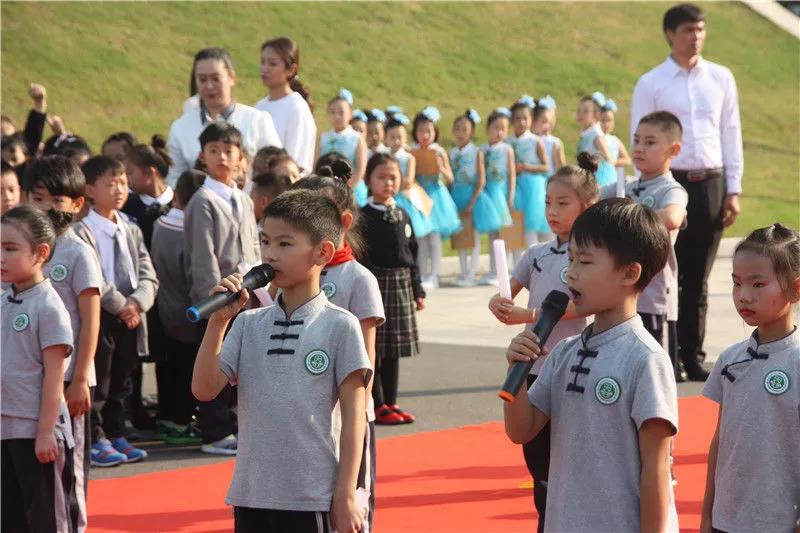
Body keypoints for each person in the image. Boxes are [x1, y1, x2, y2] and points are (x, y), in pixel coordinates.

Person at [192, 189, 372, 533]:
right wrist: (217, 323)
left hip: (311, 496)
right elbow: (203, 389)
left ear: (323, 252)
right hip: (252, 494)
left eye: (285, 244)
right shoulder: (247, 324)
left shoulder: (340, 326)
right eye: (265, 242)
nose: (270, 254)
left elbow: (354, 418)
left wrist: (346, 493)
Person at [504, 198, 679, 532]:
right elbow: (520, 430)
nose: (571, 272)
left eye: (584, 261)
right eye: (570, 259)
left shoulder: (646, 359)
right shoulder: (564, 352)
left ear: (630, 273)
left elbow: (656, 470)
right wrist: (517, 370)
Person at [631, 3, 744, 380]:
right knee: (661, 273)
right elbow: (640, 137)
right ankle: (664, 353)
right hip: (666, 183)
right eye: (687, 30)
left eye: (700, 29)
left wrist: (733, 188)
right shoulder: (652, 82)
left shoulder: (721, 78)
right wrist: (642, 187)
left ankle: (692, 356)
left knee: (698, 275)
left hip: (711, 182)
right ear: (670, 34)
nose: (695, 37)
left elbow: (731, 132)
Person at [489, 154, 597, 529]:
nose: (552, 211)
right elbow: (508, 292)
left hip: (572, 369)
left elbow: (581, 304)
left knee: (568, 456)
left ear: (587, 206)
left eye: (563, 203)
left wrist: (528, 316)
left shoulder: (588, 257)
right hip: (534, 368)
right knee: (538, 458)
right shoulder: (536, 254)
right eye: (548, 202)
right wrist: (498, 302)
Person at [292, 167, 385, 528]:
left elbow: (366, 356)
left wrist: (355, 411)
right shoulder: (298, 274)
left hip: (348, 413)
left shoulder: (358, 278)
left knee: (352, 505)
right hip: (307, 412)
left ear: (344, 221)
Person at [700, 224, 800, 533]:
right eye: (736, 283)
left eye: (758, 284)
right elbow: (720, 441)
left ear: (795, 289)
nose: (743, 296)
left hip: (780, 522)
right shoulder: (730, 358)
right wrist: (707, 514)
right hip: (726, 519)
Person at [26, 156, 103, 531]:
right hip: (29, 379)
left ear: (77, 204)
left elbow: (90, 319)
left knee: (69, 467)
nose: (47, 209)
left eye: (57, 200)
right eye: (38, 199)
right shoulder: (20, 250)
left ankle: (74, 526)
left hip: (70, 379)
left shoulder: (77, 252)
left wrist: (81, 378)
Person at [74, 156, 157, 466]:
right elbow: (93, 277)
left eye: (123, 182)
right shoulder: (82, 231)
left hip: (131, 313)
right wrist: (122, 306)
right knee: (101, 378)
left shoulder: (130, 228)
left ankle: (116, 430)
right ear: (90, 190)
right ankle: (95, 437)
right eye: (111, 184)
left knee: (124, 377)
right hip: (102, 314)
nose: (120, 189)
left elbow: (147, 271)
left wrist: (137, 302)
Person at [184, 122, 260, 455]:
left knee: (241, 365)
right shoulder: (202, 201)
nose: (222, 157)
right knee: (217, 362)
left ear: (241, 156)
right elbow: (203, 259)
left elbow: (253, 247)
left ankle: (236, 423)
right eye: (213, 151)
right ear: (203, 156)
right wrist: (213, 302)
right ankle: (214, 431)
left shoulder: (243, 198)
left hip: (248, 294)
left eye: (229, 151)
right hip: (220, 299)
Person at [1, 205, 75, 533]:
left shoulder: (48, 307)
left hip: (37, 431)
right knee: (11, 517)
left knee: (46, 519)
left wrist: (45, 432)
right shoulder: (3, 300)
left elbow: (54, 377)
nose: (1, 257)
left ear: (41, 253)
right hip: (6, 427)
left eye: (10, 249)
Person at [601, 111, 689, 380]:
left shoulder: (670, 190)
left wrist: (626, 214)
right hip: (616, 295)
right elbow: (588, 201)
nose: (639, 148)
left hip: (652, 297)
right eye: (636, 140)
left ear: (673, 150)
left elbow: (673, 217)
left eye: (650, 142)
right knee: (617, 372)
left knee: (653, 375)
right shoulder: (623, 186)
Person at [359, 153, 426, 426]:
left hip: (400, 285)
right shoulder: (363, 216)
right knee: (374, 347)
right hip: (375, 284)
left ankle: (391, 401)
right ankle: (377, 403)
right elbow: (360, 256)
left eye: (393, 177)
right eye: (381, 177)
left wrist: (417, 289)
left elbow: (412, 252)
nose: (388, 182)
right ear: (368, 180)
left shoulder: (403, 213)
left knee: (393, 349)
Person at [165, 47, 282, 187]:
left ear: (231, 77)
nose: (209, 86)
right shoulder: (180, 128)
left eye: (216, 79)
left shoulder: (257, 120)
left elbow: (277, 169)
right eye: (202, 79)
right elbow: (174, 179)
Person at [150, 169, 206, 445]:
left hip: (163, 307)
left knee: (167, 366)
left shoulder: (160, 223)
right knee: (185, 370)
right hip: (187, 309)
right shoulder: (190, 231)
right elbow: (194, 274)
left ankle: (165, 417)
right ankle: (181, 423)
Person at [449, 109, 500, 285]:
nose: (460, 133)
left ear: (471, 132)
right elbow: (451, 178)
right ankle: (463, 272)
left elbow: (481, 180)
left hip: (473, 197)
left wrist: (471, 203)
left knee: (475, 236)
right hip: (457, 196)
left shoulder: (476, 152)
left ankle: (472, 272)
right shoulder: (452, 153)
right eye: (457, 128)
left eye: (465, 129)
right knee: (461, 235)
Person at [412, 106, 461, 289]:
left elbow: (450, 178)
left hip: (437, 196)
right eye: (421, 131)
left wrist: (440, 168)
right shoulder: (413, 151)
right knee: (421, 238)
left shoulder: (439, 151)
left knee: (434, 237)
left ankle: (434, 275)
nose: (425, 135)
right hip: (419, 195)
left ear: (435, 132)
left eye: (429, 131)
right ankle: (423, 274)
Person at [254, 37, 317, 174]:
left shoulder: (297, 107)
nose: (265, 68)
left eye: (272, 64)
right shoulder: (259, 107)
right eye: (262, 62)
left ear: (291, 69)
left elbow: (298, 163)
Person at [510, 98, 552, 248]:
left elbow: (546, 166)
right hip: (515, 188)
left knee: (533, 226)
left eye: (525, 118)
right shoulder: (508, 142)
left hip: (533, 188)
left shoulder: (535, 141)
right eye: (517, 118)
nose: (521, 122)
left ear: (531, 119)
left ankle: (539, 255)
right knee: (515, 228)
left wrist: (525, 167)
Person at [481, 108, 515, 283]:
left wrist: (510, 196)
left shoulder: (507, 149)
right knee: (492, 234)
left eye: (503, 128)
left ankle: (503, 270)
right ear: (488, 128)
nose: (499, 132)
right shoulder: (482, 149)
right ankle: (493, 269)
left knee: (503, 233)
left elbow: (512, 175)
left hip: (500, 194)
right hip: (487, 195)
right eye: (496, 128)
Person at [317, 88, 368, 207]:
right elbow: (316, 163)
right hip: (326, 189)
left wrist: (347, 188)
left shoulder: (357, 138)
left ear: (350, 114)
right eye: (332, 112)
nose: (337, 116)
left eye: (341, 112)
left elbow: (360, 168)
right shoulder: (323, 137)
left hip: (352, 189)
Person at [122, 137, 174, 249]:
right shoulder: (126, 205)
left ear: (150, 172)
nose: (125, 179)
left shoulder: (181, 202)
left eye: (129, 173)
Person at [575, 93, 616, 187]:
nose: (580, 114)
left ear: (596, 115)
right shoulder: (586, 133)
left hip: (599, 179)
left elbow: (608, 158)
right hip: (587, 177)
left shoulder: (596, 134)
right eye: (579, 110)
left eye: (585, 111)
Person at [598, 99, 632, 185]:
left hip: (611, 179)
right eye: (603, 120)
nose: (606, 124)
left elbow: (627, 160)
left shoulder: (615, 140)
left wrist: (613, 161)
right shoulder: (595, 138)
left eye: (609, 120)